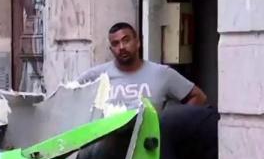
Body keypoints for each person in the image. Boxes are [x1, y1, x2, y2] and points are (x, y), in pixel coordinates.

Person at [78, 22, 209, 111]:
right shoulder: (95, 77)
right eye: (116, 43)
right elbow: (68, 102)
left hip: (149, 148)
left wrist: (172, 126)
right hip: (107, 149)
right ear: (111, 49)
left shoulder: (162, 74)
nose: (122, 47)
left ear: (138, 42)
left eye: (126, 40)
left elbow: (199, 97)